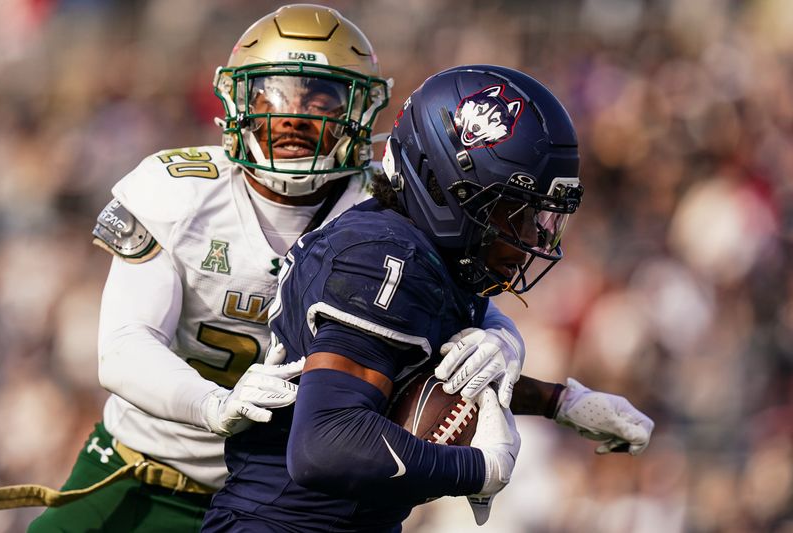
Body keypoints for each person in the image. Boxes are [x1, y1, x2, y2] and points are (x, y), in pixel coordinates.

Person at [0, 6, 525, 532]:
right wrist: (213, 404)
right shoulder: (179, 191)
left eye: (320, 97)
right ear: (236, 98)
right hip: (144, 471)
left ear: (359, 111)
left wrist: (504, 341)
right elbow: (124, 346)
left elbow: (463, 310)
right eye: (275, 92)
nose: (292, 114)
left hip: (280, 501)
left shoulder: (385, 207)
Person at [201, 64, 654, 532]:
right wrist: (479, 471)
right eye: (514, 212)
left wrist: (559, 402)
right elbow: (324, 445)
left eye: (539, 216)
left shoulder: (426, 254)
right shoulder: (381, 258)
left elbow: (416, 376)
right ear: (443, 185)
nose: (530, 237)